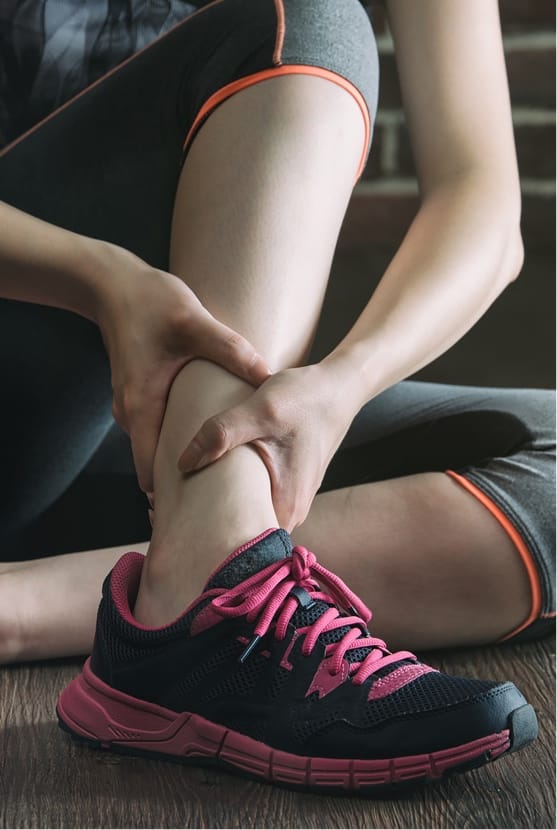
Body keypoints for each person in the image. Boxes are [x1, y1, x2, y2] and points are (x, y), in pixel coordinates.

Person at [0, 0, 554, 795]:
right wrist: (101, 280)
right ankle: (208, 590)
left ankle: (141, 602)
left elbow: (483, 208)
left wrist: (343, 382)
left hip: (142, 447)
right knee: (299, 21)